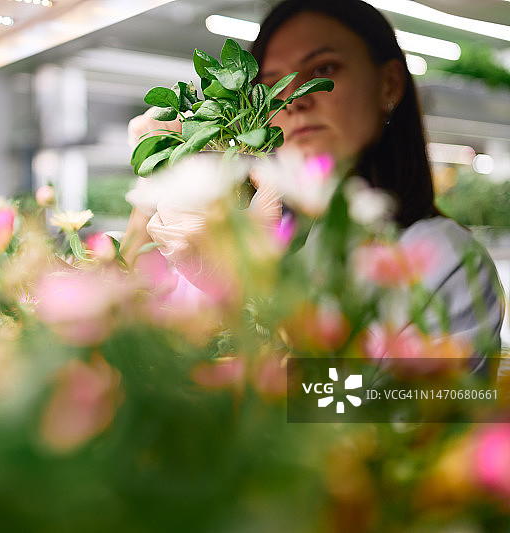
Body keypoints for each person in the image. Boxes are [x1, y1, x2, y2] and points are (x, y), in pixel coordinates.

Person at [124, 0, 504, 365]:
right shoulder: (242, 229)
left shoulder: (447, 258)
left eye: (323, 70)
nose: (293, 100)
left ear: (388, 85)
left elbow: (377, 416)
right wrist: (154, 193)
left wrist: (250, 291)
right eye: (273, 84)